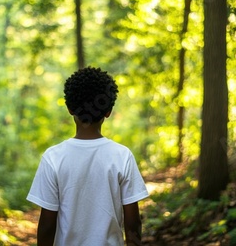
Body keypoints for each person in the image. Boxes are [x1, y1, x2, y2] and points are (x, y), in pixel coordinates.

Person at [27, 66, 149, 246]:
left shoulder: (53, 157)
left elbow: (47, 224)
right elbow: (133, 223)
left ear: (69, 108)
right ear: (108, 112)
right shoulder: (122, 156)